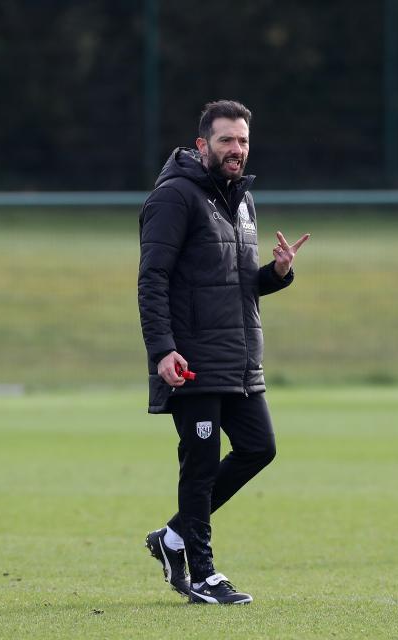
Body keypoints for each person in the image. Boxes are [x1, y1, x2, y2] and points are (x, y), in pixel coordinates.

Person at [137, 100, 309, 604]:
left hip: (237, 358)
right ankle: (204, 575)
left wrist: (276, 274)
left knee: (260, 448)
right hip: (192, 360)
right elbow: (153, 280)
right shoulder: (174, 198)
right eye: (227, 141)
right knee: (201, 465)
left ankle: (171, 539)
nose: (237, 150)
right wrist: (163, 350)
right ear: (202, 146)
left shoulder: (241, 201)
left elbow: (234, 287)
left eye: (243, 141)